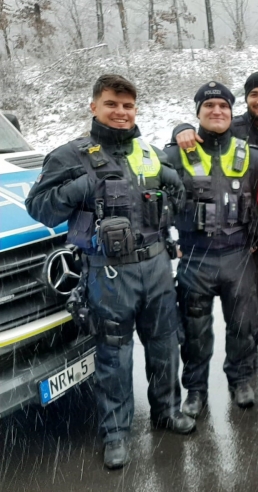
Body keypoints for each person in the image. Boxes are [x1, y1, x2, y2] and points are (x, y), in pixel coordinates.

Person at [25, 74, 195, 470]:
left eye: (128, 106)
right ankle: (115, 433)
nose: (121, 113)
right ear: (94, 107)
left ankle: (167, 411)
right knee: (114, 356)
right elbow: (39, 209)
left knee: (165, 345)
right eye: (112, 104)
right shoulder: (70, 156)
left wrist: (173, 196)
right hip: (109, 274)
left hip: (156, 267)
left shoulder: (151, 154)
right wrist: (82, 185)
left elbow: (182, 199)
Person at [173, 72, 258, 372]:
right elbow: (196, 143)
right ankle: (247, 351)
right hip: (246, 231)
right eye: (254, 94)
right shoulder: (231, 125)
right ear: (246, 99)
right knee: (250, 299)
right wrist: (182, 128)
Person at [164, 81, 258, 415]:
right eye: (209, 107)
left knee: (243, 327)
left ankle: (240, 379)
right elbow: (153, 200)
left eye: (223, 106)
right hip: (195, 257)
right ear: (198, 114)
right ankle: (195, 389)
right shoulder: (174, 155)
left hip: (239, 256)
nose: (217, 111)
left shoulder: (252, 157)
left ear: (231, 113)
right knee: (194, 332)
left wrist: (256, 246)